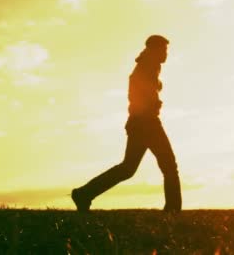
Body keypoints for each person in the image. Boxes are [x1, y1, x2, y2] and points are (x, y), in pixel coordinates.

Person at [72, 35, 182, 213]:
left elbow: (142, 86)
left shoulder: (149, 67)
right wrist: (152, 103)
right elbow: (137, 91)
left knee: (128, 168)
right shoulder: (146, 67)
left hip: (140, 123)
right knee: (169, 166)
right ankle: (173, 210)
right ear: (154, 50)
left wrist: (154, 91)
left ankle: (84, 194)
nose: (166, 54)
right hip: (147, 123)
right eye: (163, 50)